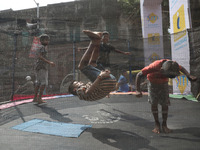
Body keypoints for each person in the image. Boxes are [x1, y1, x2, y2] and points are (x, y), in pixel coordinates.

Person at [135, 59, 197, 134]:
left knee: (165, 103)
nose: (170, 77)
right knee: (154, 103)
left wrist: (189, 75)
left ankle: (164, 124)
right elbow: (139, 75)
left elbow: (182, 68)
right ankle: (157, 124)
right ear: (161, 70)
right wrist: (138, 90)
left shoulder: (172, 64)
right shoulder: (154, 66)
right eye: (169, 75)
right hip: (152, 83)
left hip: (164, 83)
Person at [68, 30, 117, 101]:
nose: (80, 82)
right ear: (75, 89)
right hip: (105, 81)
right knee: (82, 67)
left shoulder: (85, 89)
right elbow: (88, 92)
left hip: (111, 81)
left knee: (92, 64)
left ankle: (97, 41)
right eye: (77, 83)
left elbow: (96, 91)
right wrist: (100, 77)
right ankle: (94, 42)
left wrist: (106, 92)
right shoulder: (79, 91)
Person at [33, 34, 55, 104]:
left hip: (38, 66)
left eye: (48, 40)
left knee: (38, 82)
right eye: (46, 40)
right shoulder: (42, 47)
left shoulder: (39, 47)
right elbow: (40, 56)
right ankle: (39, 98)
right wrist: (49, 62)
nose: (47, 41)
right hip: (42, 66)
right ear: (42, 41)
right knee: (44, 83)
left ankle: (35, 98)